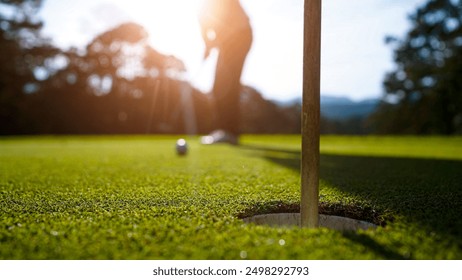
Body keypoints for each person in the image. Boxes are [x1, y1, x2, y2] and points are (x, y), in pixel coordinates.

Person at [198, 0, 253, 145]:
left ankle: (228, 132)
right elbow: (207, 25)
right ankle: (225, 130)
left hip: (239, 36)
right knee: (220, 85)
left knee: (225, 85)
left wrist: (211, 43)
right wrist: (208, 45)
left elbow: (219, 20)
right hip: (234, 37)